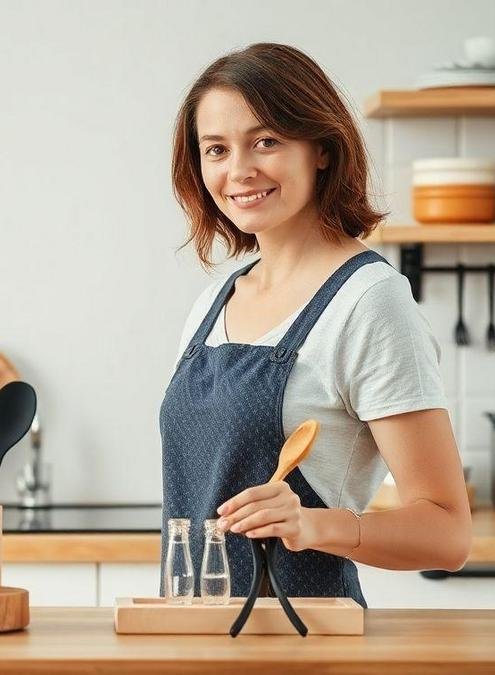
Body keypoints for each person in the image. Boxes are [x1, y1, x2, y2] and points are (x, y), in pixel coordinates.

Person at [161, 43, 471, 606]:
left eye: (266, 141)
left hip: (303, 640)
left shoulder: (369, 302)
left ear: (322, 150)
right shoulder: (214, 303)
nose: (239, 170)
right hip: (193, 636)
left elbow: (447, 533)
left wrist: (313, 525)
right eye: (216, 149)